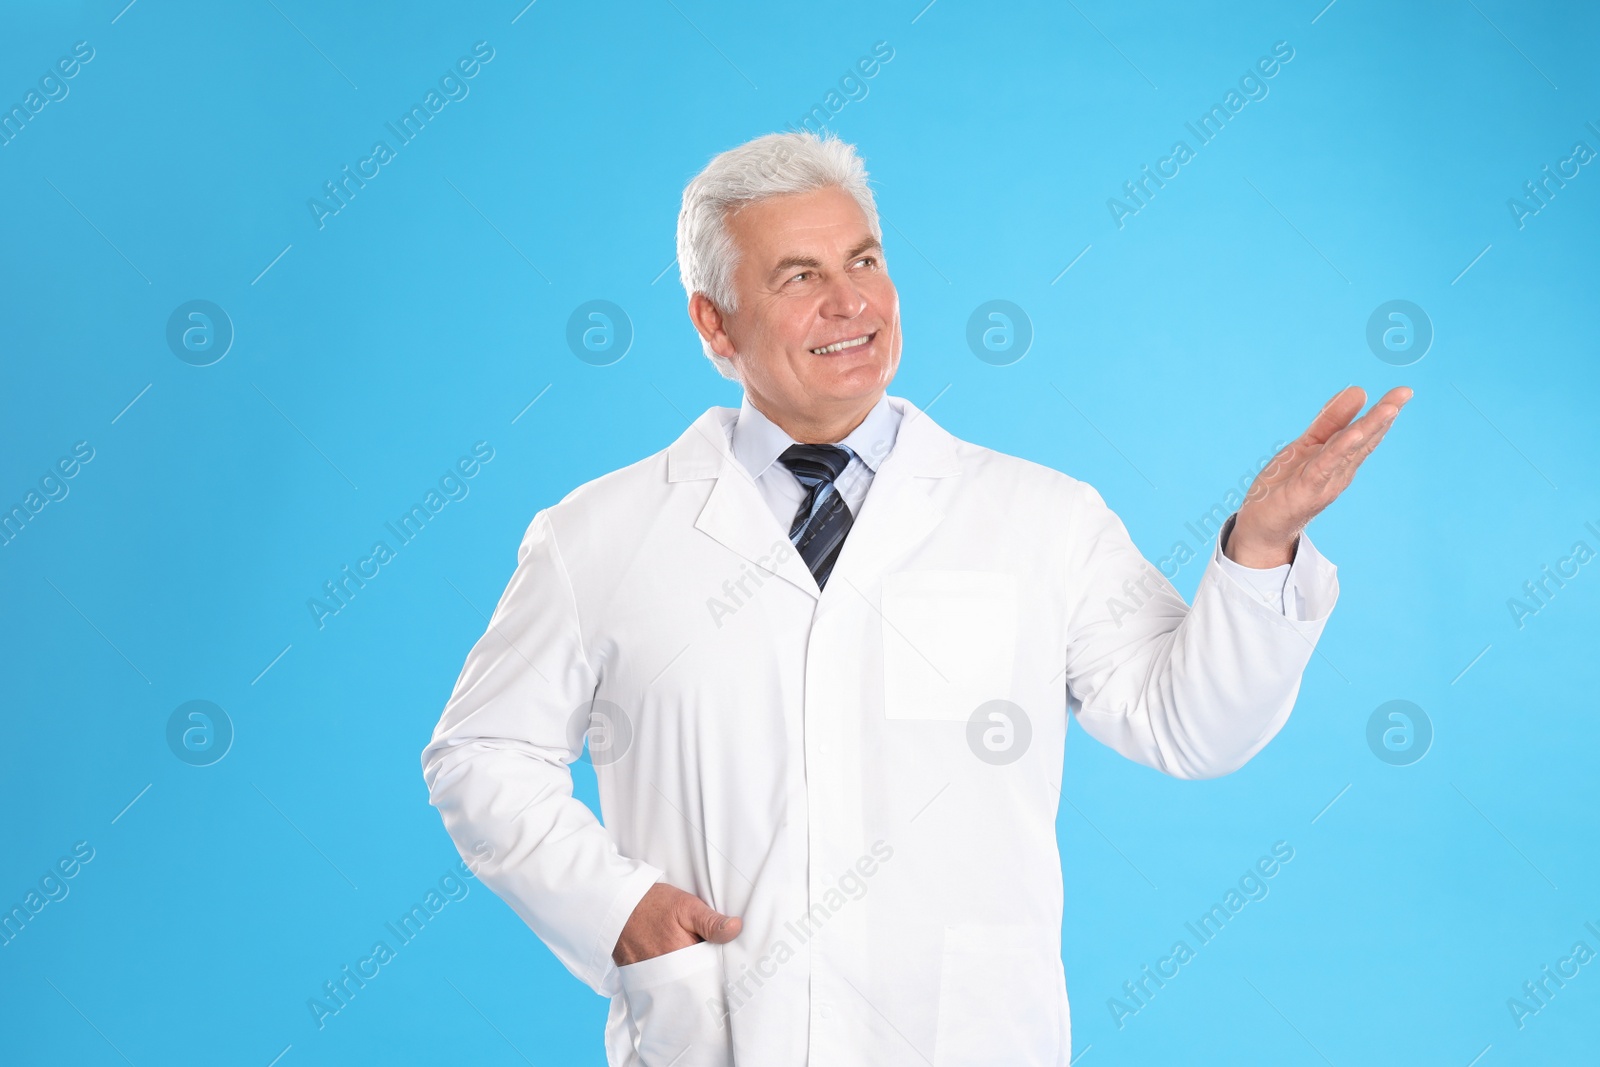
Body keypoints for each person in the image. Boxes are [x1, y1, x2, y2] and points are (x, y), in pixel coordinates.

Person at [421, 130, 1410, 1066]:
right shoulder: (600, 534)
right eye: (798, 276)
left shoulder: (1038, 516)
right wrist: (615, 907)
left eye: (862, 260)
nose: (851, 302)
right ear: (712, 322)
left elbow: (1193, 726)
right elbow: (481, 752)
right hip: (722, 1031)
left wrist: (1263, 542)